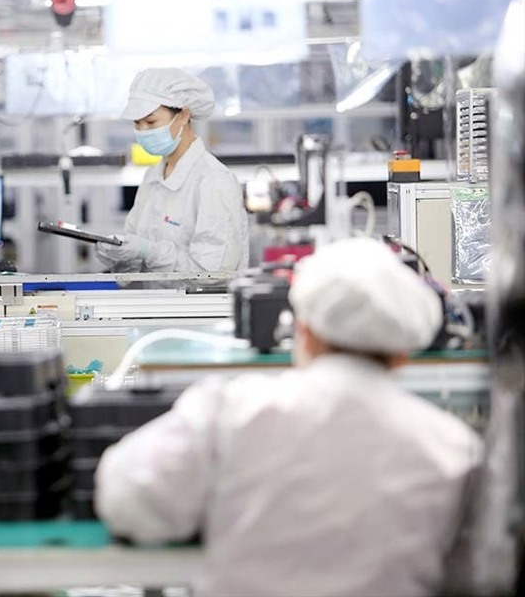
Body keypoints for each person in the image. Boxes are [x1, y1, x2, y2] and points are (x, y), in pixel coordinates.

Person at [95, 237, 483, 597]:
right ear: (403, 353)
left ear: (304, 331)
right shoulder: (452, 450)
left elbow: (128, 501)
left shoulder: (232, 413)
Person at [96, 68, 248, 274]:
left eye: (151, 122)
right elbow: (136, 258)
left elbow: (213, 272)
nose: (143, 131)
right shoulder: (152, 176)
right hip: (153, 304)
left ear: (183, 115)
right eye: (137, 124)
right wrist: (120, 256)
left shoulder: (213, 180)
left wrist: (150, 252)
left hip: (195, 307)